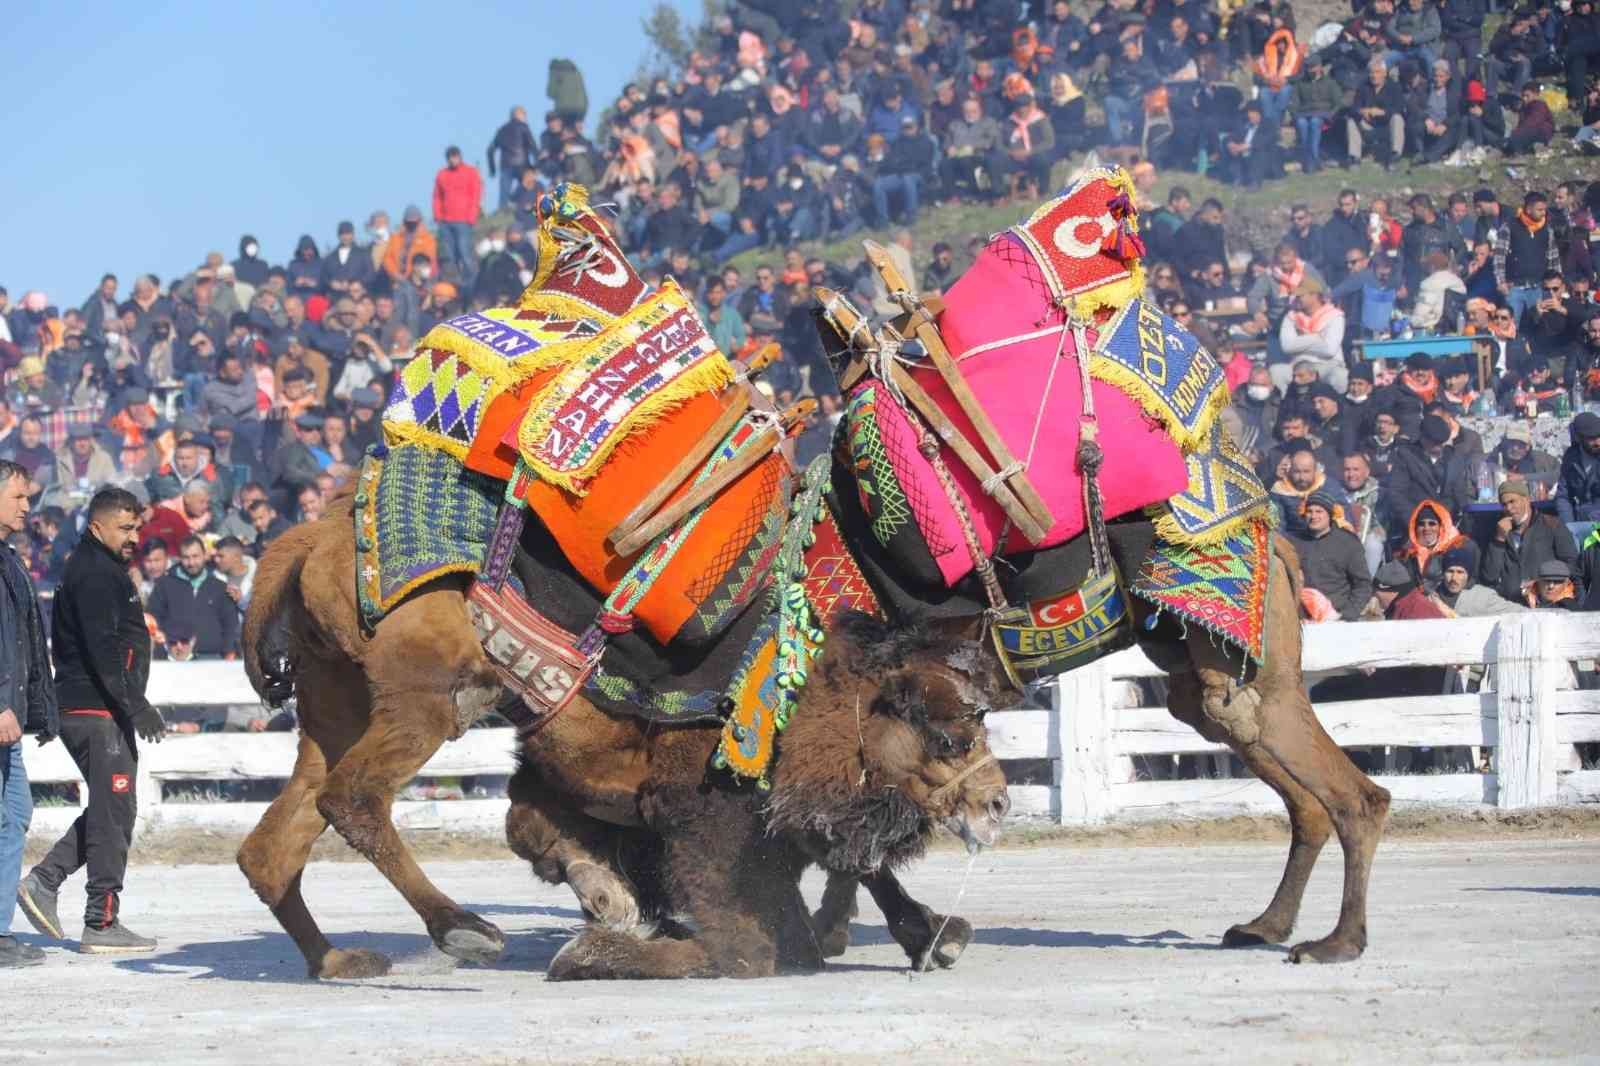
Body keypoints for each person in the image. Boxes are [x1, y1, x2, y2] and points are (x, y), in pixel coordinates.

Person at [17, 487, 162, 953]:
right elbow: (103, 649)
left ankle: (44, 881)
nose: (134, 537)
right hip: (95, 708)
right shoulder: (96, 574)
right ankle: (100, 921)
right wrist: (135, 704)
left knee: (112, 808)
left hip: (98, 707)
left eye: (137, 527)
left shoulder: (99, 567)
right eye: (125, 528)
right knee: (114, 808)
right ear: (97, 526)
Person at [0, 462, 57, 967]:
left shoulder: (8, 557)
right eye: (18, 497)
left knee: (14, 814)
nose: (26, 507)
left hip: (9, 711)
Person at [1480, 478, 1580, 604]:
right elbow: (1489, 576)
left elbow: (1572, 564)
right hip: (1508, 603)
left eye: (1512, 501)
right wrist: (1499, 539)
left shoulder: (1552, 525)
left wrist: (1542, 582)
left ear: (1526, 499)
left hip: (1547, 602)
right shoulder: (1497, 529)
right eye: (1504, 504)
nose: (1509, 508)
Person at [147, 536, 240, 660]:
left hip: (212, 658)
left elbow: (230, 624)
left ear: (204, 555)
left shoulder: (219, 587)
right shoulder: (164, 585)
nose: (191, 563)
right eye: (186, 557)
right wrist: (164, 644)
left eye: (195, 556)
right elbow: (153, 618)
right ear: (180, 558)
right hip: (175, 658)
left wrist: (229, 651)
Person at [1292, 490, 1372, 621]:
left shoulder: (1347, 542)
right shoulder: (1294, 542)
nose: (1313, 516)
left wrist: (1347, 615)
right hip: (1300, 617)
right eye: (1309, 511)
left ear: (1329, 515)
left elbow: (1363, 585)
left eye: (1319, 511)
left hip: (1337, 615)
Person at [1386, 413, 1475, 531]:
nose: (1439, 447)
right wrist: (1416, 522)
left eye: (1441, 442)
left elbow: (1460, 494)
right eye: (1434, 443)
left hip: (1449, 524)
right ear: (1423, 438)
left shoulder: (1454, 458)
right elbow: (1396, 494)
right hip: (1417, 524)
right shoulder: (1406, 456)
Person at [1274, 281, 1347, 393]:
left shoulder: (1334, 316)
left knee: (1340, 375)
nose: (1296, 299)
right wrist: (1315, 338)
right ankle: (1284, 407)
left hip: (1326, 365)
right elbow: (1287, 347)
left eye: (1300, 296)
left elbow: (1330, 350)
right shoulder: (1291, 316)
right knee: (1276, 371)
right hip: (1298, 365)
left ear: (1314, 295)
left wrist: (1300, 340)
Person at [1397, 499, 1476, 592]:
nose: (1426, 528)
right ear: (1415, 527)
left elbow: (1471, 581)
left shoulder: (1460, 546)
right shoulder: (1407, 552)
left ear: (1441, 527)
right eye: (1421, 524)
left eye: (1432, 524)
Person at [1436, 547, 1524, 616]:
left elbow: (1518, 611)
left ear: (1468, 575)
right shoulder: (1431, 597)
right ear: (1443, 573)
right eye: (1450, 571)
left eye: (1460, 572)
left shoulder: (1483, 597)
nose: (1454, 578)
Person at [1554, 411, 1600, 523]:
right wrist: (1569, 526)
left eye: (1599, 436)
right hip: (1583, 524)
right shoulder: (1571, 458)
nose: (1598, 442)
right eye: (1591, 438)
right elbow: (1563, 497)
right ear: (1579, 438)